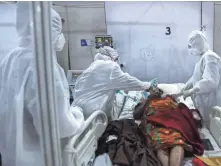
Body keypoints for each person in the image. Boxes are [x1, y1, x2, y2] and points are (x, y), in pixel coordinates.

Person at [0, 2, 84, 166]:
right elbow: (59, 126)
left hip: (10, 152)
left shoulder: (9, 59)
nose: (61, 38)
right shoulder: (44, 66)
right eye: (59, 32)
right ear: (49, 32)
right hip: (39, 157)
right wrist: (77, 115)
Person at [72, 46, 157, 119]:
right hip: (93, 111)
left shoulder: (93, 67)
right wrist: (148, 86)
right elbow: (128, 81)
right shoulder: (110, 67)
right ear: (111, 57)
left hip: (78, 109)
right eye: (116, 59)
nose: (117, 61)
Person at [133, 88, 204, 166]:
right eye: (153, 90)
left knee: (178, 142)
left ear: (161, 92)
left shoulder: (169, 99)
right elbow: (136, 115)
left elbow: (179, 111)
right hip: (154, 123)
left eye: (157, 90)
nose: (155, 91)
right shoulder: (146, 102)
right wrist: (148, 100)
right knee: (161, 144)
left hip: (172, 123)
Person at [181, 30, 221, 126]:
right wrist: (185, 87)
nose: (190, 49)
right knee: (206, 125)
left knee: (213, 128)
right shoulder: (202, 58)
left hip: (212, 103)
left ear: (198, 44)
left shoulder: (210, 57)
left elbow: (211, 82)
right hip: (205, 102)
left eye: (191, 46)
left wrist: (191, 91)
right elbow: (196, 77)